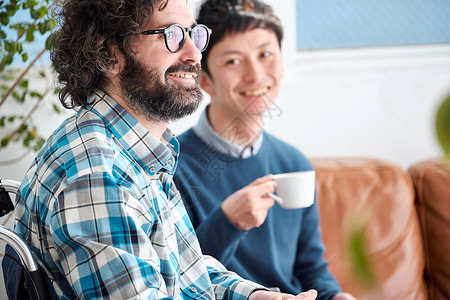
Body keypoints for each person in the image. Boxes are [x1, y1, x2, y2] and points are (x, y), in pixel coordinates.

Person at [2, 0, 320, 299]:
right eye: (172, 35)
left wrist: (253, 295)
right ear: (110, 55)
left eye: (194, 34)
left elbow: (186, 271)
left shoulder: (137, 151)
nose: (195, 53)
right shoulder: (99, 177)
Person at [173, 1, 356, 300]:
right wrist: (228, 223)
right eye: (233, 61)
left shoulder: (293, 162)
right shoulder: (171, 164)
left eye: (265, 55)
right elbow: (175, 277)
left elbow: (311, 270)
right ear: (204, 79)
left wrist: (335, 296)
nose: (256, 75)